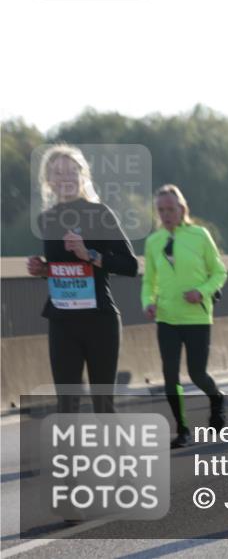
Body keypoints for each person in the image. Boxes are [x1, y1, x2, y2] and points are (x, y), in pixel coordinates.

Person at [26, 145, 139, 415]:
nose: (66, 178)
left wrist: (89, 254)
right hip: (62, 321)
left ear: (82, 175)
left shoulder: (100, 213)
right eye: (58, 172)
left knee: (103, 405)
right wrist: (43, 269)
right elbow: (62, 268)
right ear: (49, 182)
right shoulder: (46, 219)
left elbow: (130, 265)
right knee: (67, 405)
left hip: (99, 320)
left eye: (72, 171)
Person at [142, 184, 228, 448]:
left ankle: (216, 398)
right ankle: (183, 430)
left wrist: (202, 292)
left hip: (196, 317)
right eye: (161, 210)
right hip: (166, 317)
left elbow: (219, 273)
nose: (166, 214)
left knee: (197, 374)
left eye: (171, 209)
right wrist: (148, 302)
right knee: (169, 376)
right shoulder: (153, 241)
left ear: (182, 209)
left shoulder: (199, 235)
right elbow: (149, 281)